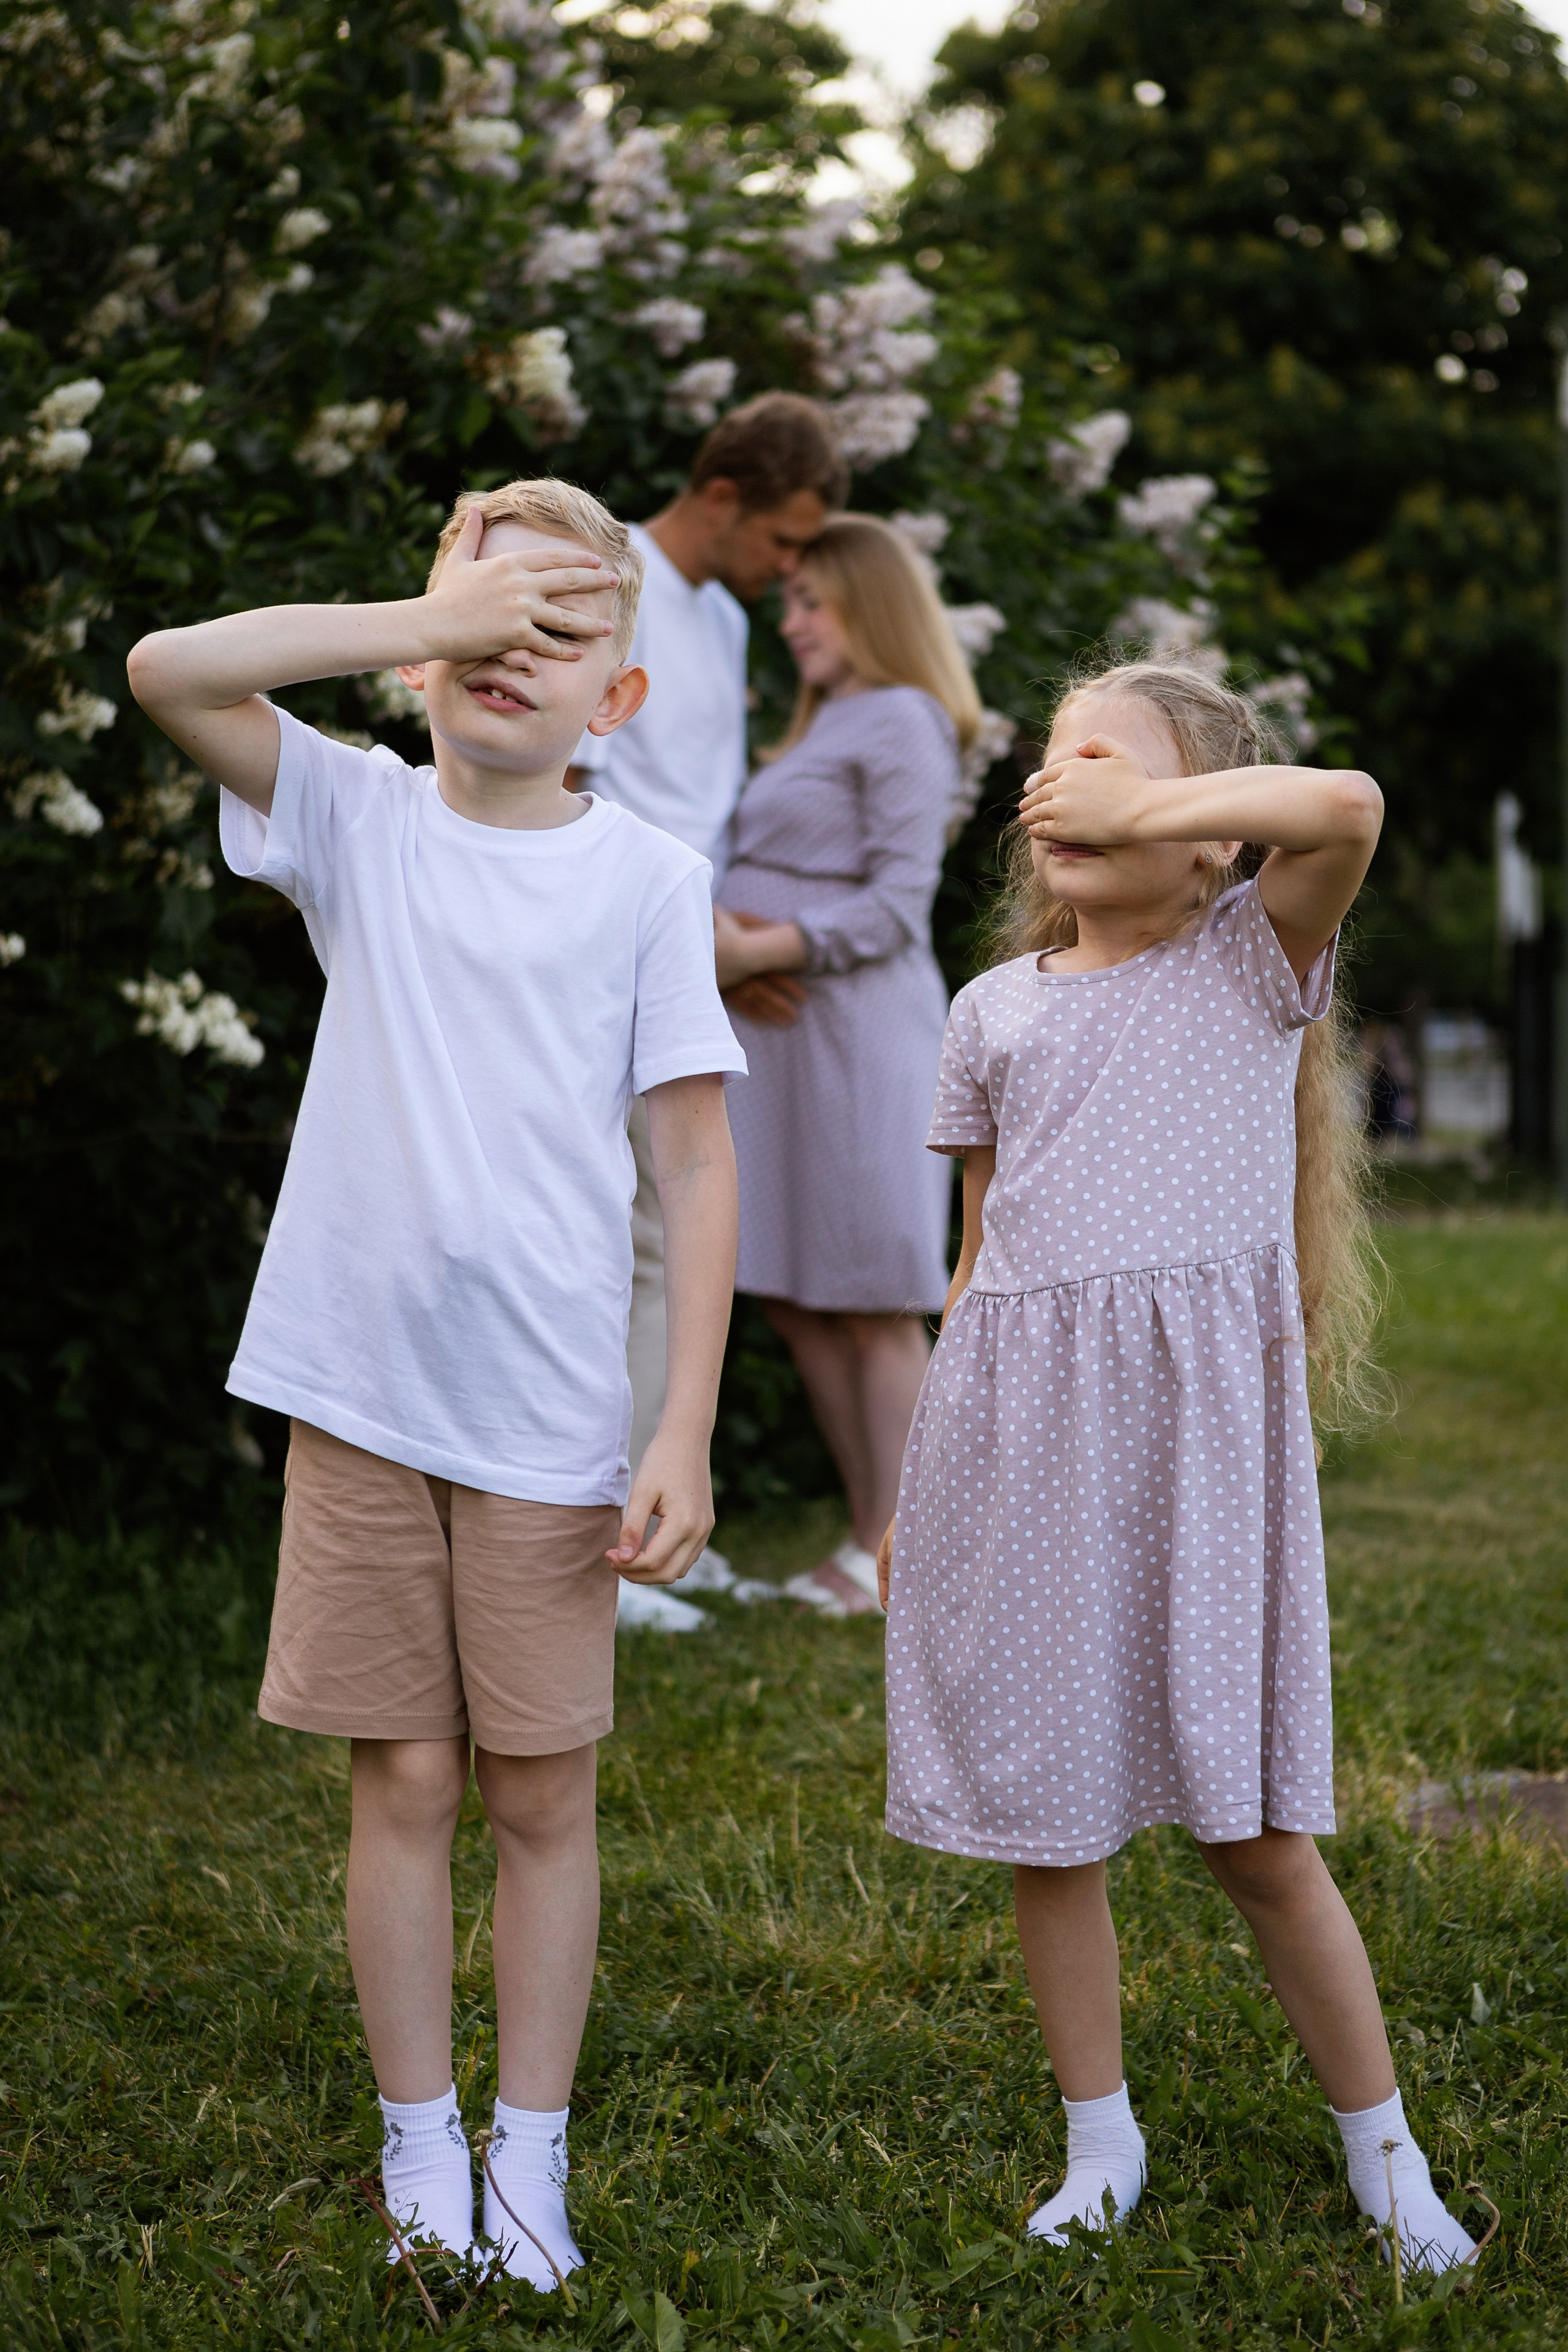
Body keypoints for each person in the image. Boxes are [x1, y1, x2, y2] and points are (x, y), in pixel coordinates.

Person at [126, 478, 746, 2287]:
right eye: (487, 624)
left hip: (551, 1418)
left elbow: (695, 1165)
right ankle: (421, 2145)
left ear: (618, 701)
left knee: (543, 1795)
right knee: (402, 1776)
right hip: (368, 1394)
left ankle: (528, 2153)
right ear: (418, 659)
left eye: (560, 634)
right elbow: (174, 665)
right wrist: (430, 614)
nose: (510, 655)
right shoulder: (360, 819)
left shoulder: (646, 876)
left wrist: (682, 1424)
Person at [877, 660, 1479, 2275]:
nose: (1060, 789)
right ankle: (1099, 2133)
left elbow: (1343, 808)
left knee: (1252, 1837)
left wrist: (1150, 801)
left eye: (1111, 772)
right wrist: (930, 1480)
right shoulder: (992, 1011)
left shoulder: (1247, 965)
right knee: (1051, 1830)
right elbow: (977, 1265)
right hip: (1023, 1445)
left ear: (1211, 840)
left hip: (1195, 1463)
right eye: (1055, 767)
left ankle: (1387, 2158)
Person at [567, 394, 848, 1630]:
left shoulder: (722, 618)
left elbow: (704, 810)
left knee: (670, 1251)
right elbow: (585, 779)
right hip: (609, 953)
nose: (793, 569)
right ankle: (613, 1556)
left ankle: (664, 1518)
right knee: (627, 1248)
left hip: (686, 956)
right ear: (723, 497)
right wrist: (707, 951)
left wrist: (725, 950)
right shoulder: (606, 576)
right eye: (786, 540)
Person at [711, 514, 978, 1617]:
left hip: (860, 1035)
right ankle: (874, 1544)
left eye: (814, 602)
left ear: (871, 605)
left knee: (872, 1299)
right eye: (791, 603)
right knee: (798, 1302)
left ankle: (913, 1558)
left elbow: (894, 906)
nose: (793, 623)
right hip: (782, 1037)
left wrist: (750, 950)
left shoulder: (909, 720)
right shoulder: (824, 725)